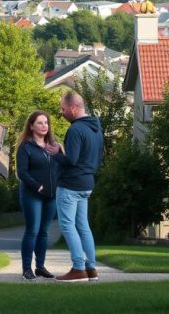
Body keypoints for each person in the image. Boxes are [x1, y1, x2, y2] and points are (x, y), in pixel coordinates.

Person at [48, 91, 103, 282]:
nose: (61, 113)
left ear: (73, 108)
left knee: (67, 225)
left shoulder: (75, 130)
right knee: (83, 226)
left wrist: (56, 153)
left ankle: (78, 268)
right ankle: (91, 268)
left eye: (63, 109)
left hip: (71, 184)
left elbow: (71, 160)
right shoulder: (96, 128)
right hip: (87, 183)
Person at [15, 110, 61, 281]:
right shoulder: (26, 147)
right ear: (32, 126)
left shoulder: (53, 147)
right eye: (40, 123)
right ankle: (27, 269)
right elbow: (22, 172)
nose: (44, 126)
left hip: (51, 196)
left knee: (44, 232)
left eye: (46, 123)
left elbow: (61, 167)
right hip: (32, 194)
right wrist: (37, 186)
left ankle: (40, 267)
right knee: (32, 230)